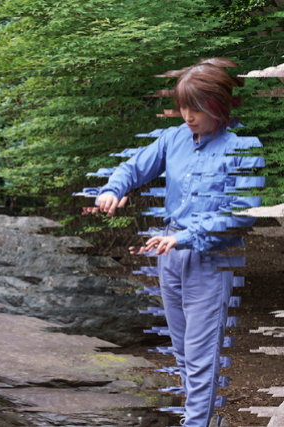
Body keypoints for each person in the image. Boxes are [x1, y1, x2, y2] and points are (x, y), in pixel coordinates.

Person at [96, 58, 264, 427]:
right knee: (184, 353)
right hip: (169, 257)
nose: (188, 116)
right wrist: (113, 189)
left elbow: (241, 213)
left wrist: (183, 237)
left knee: (203, 356)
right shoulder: (173, 139)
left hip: (212, 259)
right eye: (184, 106)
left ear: (219, 104)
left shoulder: (245, 147)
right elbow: (133, 167)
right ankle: (206, 421)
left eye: (197, 107)